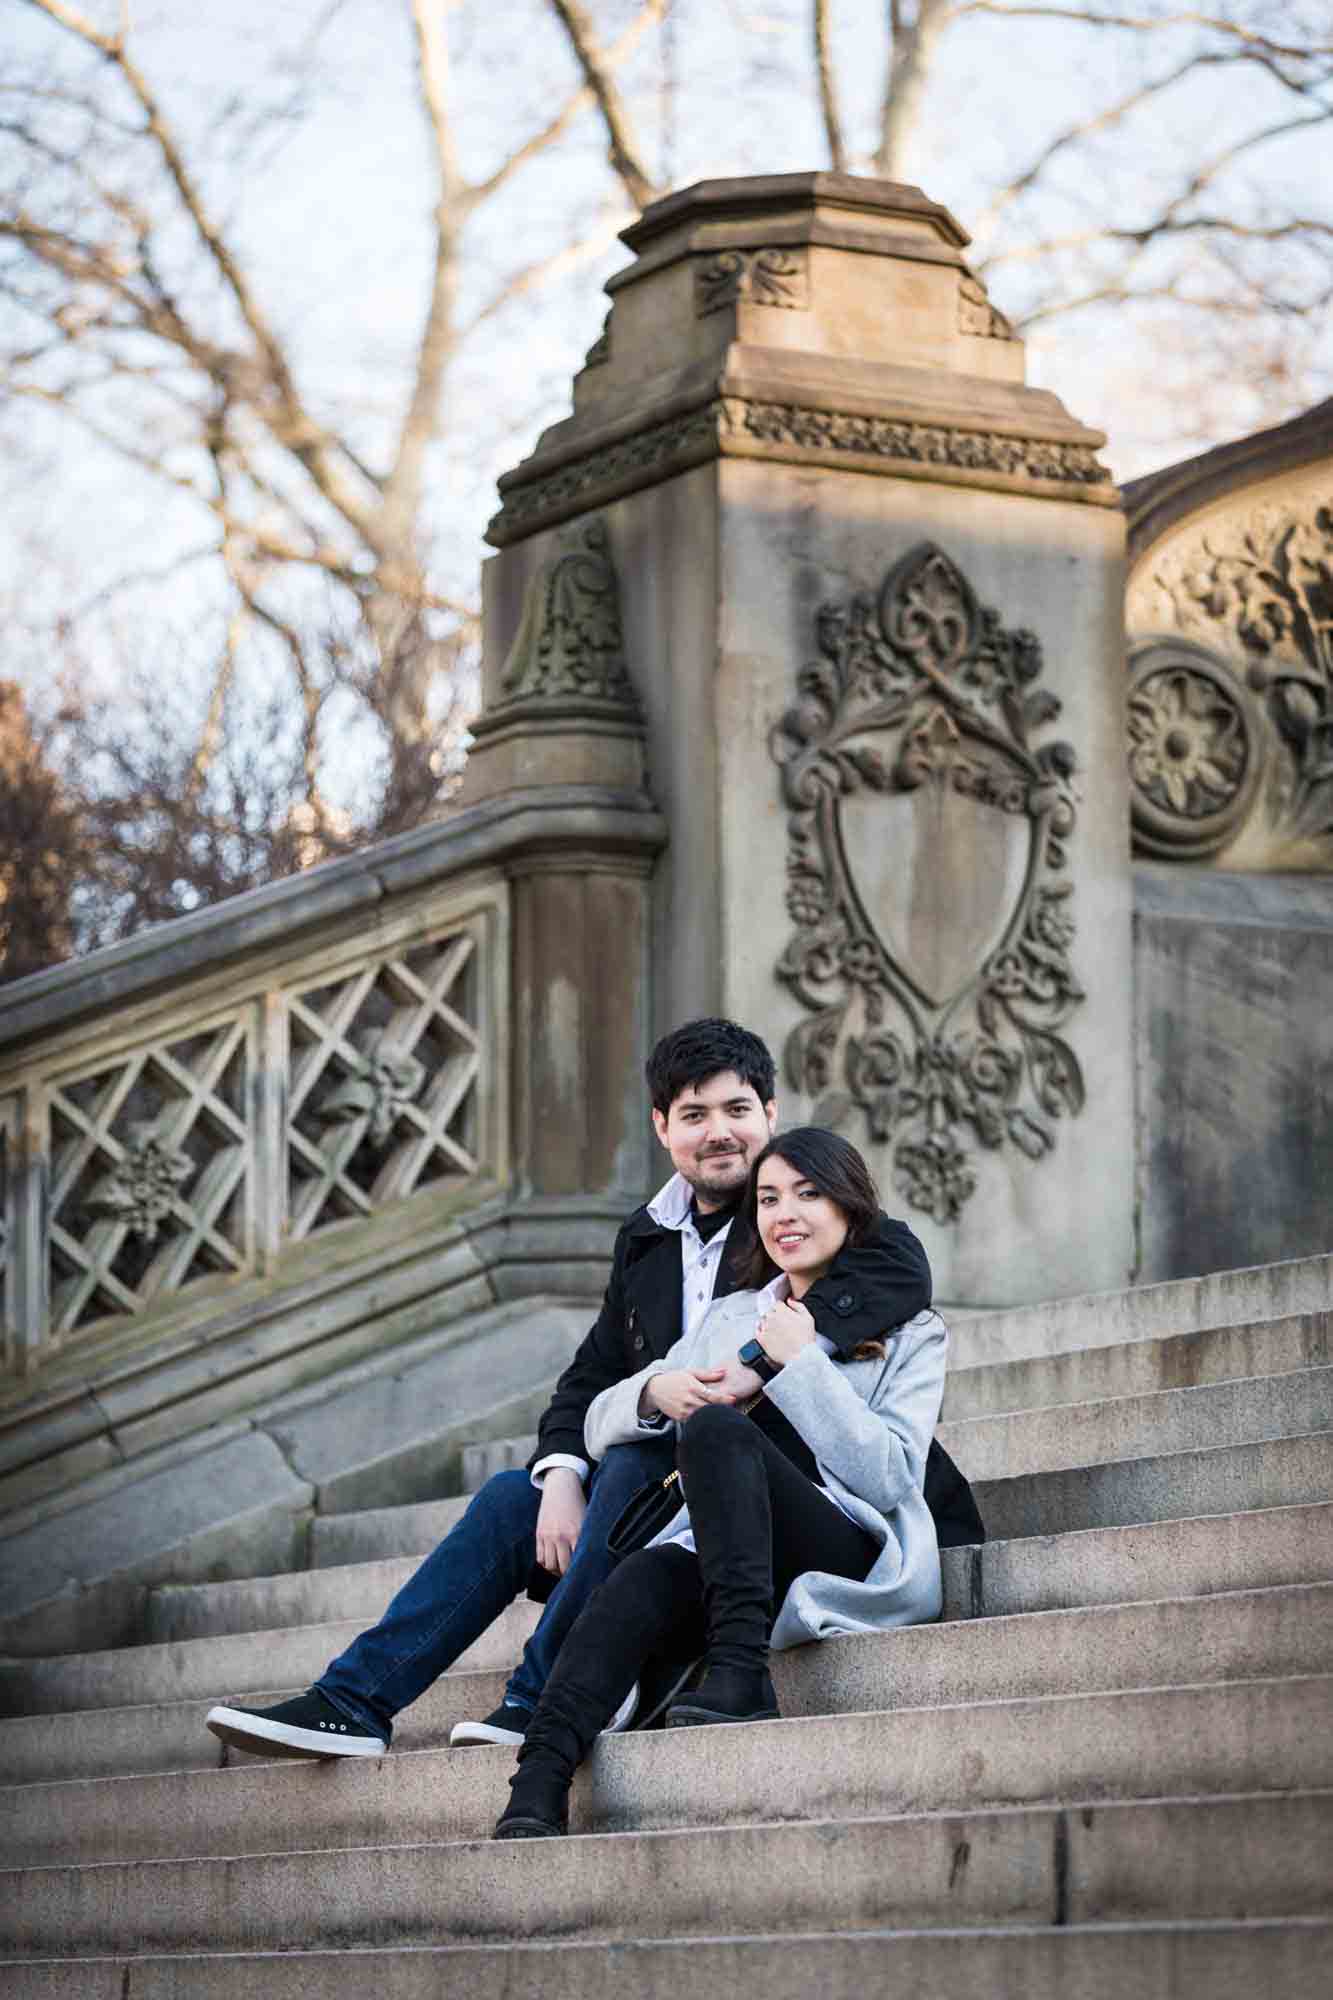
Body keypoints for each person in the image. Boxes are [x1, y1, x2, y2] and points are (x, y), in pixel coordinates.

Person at [205, 1021, 931, 1761]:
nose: (719, 1133)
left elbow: (903, 1274)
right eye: (693, 1115)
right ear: (661, 1127)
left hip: (747, 1490)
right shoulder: (646, 1238)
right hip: (655, 1475)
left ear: (769, 1114)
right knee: (511, 1500)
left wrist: (754, 1362)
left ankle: (546, 1697)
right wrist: (560, 1473)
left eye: (736, 1110)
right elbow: (592, 1374)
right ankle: (352, 1701)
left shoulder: (801, 1221)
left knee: (630, 1464)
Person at [492, 1126, 947, 1840]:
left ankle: (740, 1673)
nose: (784, 1214)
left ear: (849, 1209)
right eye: (767, 1198)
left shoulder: (912, 1329)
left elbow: (890, 1477)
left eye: (808, 1193)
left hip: (843, 1539)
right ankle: (536, 1783)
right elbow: (599, 1412)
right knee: (639, 1576)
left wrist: (797, 1362)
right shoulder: (734, 1314)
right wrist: (656, 1391)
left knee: (713, 1430)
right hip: (730, 1549)